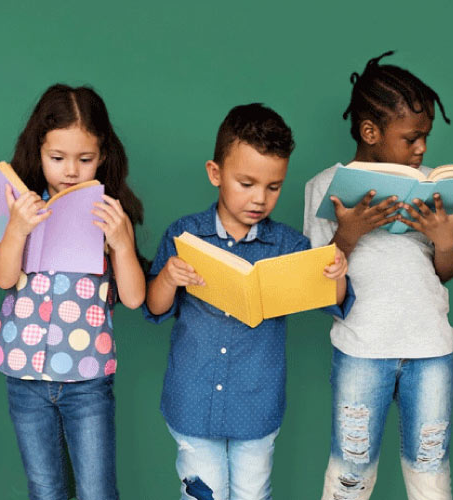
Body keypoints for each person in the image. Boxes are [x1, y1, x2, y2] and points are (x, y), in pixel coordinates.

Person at [144, 103, 354, 500]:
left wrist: (337, 275)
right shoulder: (185, 234)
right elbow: (155, 307)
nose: (260, 198)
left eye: (273, 187)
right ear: (215, 173)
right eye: (246, 183)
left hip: (256, 405)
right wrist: (169, 277)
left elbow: (333, 302)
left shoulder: (290, 246)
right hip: (192, 401)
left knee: (253, 494)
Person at [303, 51, 453, 500]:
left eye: (426, 137)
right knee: (351, 469)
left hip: (431, 348)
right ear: (370, 132)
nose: (422, 149)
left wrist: (445, 239)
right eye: (412, 138)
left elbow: (447, 272)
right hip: (361, 348)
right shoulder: (325, 188)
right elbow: (319, 285)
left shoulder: (434, 184)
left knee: (430, 468)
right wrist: (348, 234)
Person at [0, 84, 146, 500]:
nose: (71, 170)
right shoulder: (22, 206)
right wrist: (17, 229)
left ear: (104, 156)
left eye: (85, 159)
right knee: (45, 488)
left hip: (87, 378)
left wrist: (124, 245)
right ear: (38, 152)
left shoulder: (109, 214)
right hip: (24, 374)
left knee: (96, 491)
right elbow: (3, 278)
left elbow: (132, 298)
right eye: (57, 158)